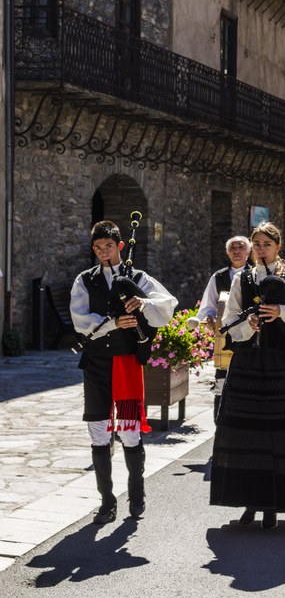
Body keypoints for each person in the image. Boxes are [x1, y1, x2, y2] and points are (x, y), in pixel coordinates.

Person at [210, 221, 285, 530]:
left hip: (280, 365)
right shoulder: (243, 279)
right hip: (248, 363)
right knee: (247, 433)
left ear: (278, 247)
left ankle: (274, 505)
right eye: (257, 244)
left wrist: (283, 312)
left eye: (267, 244)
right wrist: (245, 326)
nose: (261, 249)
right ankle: (251, 502)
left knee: (279, 434)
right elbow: (229, 318)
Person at [70, 220, 177, 524]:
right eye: (98, 247)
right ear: (94, 250)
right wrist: (112, 324)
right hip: (96, 365)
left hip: (127, 362)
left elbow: (166, 306)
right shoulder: (85, 281)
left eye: (108, 246)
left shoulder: (139, 278)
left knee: (129, 431)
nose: (104, 252)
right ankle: (106, 502)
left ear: (119, 246)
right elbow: (81, 321)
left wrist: (143, 303)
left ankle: (137, 494)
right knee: (99, 430)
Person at [197, 236, 251, 420]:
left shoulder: (256, 275)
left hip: (249, 334)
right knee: (222, 376)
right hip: (224, 337)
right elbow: (208, 305)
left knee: (247, 376)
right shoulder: (218, 277)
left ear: (248, 251)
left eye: (240, 247)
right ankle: (220, 420)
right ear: (227, 253)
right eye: (232, 248)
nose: (236, 251)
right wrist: (209, 318)